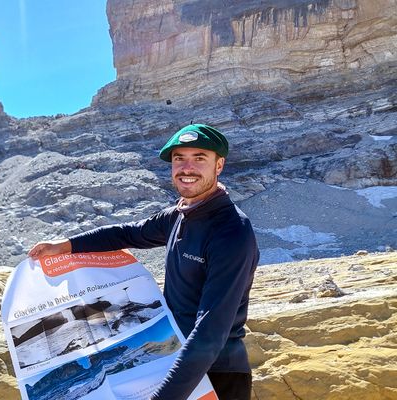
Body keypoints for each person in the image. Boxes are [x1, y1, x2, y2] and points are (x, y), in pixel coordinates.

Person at [28, 124, 259, 400]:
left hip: (219, 375)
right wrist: (65, 246)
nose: (187, 168)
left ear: (219, 165)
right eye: (178, 158)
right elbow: (125, 233)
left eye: (199, 158)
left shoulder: (231, 231)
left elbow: (210, 333)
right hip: (177, 363)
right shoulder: (178, 215)